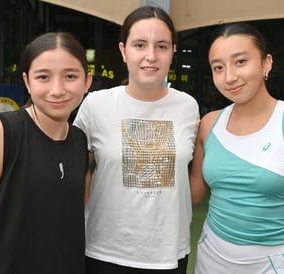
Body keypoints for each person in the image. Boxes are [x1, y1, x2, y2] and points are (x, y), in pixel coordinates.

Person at [189, 23, 284, 274]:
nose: (230, 76)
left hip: (276, 264)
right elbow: (194, 194)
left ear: (266, 63)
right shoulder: (208, 124)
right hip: (211, 258)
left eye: (241, 61)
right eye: (218, 67)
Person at [73, 6, 199, 274]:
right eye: (140, 45)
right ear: (123, 50)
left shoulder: (188, 107)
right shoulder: (96, 105)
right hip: (104, 251)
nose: (150, 56)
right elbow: (76, 174)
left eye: (162, 46)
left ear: (173, 51)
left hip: (168, 253)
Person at [0, 32, 93, 274]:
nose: (57, 89)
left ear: (87, 82)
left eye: (70, 76)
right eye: (43, 77)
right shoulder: (2, 131)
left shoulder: (79, 141)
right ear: (27, 82)